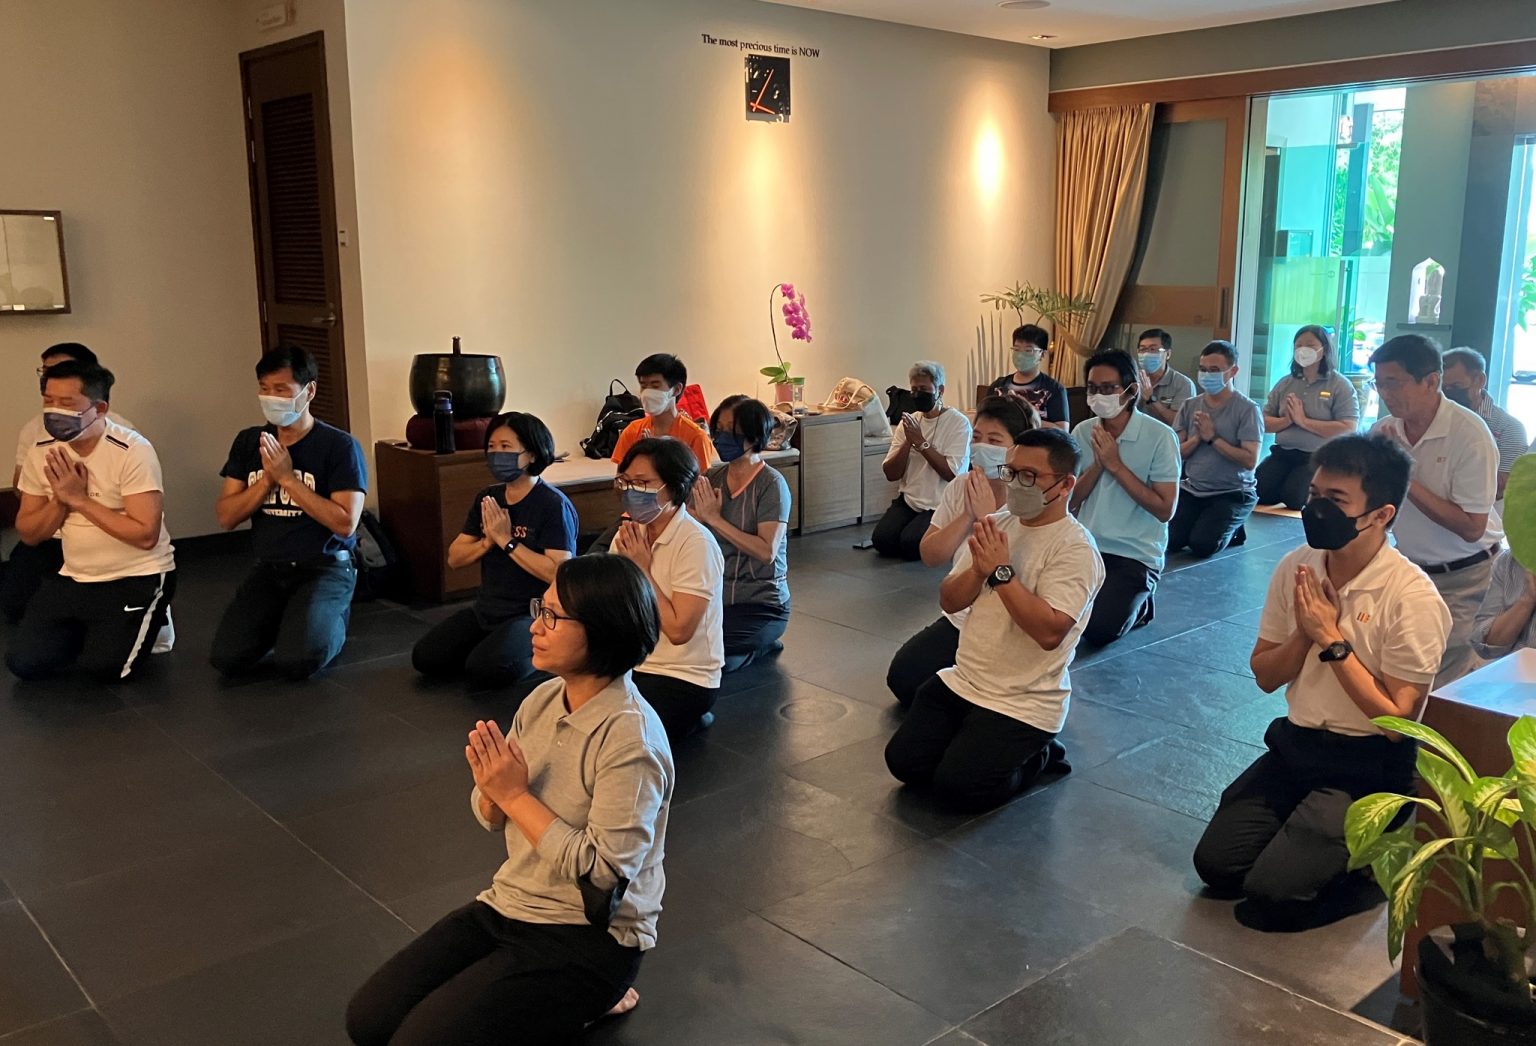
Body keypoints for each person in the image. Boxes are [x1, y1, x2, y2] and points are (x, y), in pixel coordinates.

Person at [346, 555, 673, 1046]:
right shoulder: (541, 699)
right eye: (540, 608)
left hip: (590, 938)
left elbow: (602, 875)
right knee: (368, 1021)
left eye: (553, 616)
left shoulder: (631, 741)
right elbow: (488, 811)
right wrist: (496, 793)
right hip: (509, 903)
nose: (536, 626)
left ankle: (596, 997)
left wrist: (514, 794)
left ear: (603, 631)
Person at [1193, 435, 1450, 929]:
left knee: (1273, 895)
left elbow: (1398, 724)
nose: (1316, 510)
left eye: (1335, 501)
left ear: (1380, 514)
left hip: (1368, 764)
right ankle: (1305, 836)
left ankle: (1370, 863)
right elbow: (1266, 675)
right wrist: (1307, 634)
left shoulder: (1411, 596)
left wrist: (1333, 641)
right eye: (1314, 496)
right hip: (1298, 745)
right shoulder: (1297, 568)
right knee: (1218, 867)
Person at [884, 428, 1103, 811]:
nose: (1015, 483)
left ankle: (1042, 755)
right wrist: (978, 570)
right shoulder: (998, 524)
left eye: (1029, 476)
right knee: (904, 764)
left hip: (1023, 700)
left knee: (958, 790)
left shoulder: (1075, 549)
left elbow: (1049, 632)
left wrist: (1000, 572)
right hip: (966, 679)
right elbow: (950, 600)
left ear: (1066, 484)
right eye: (1011, 472)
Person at [5, 361, 176, 682]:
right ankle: (102, 629)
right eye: (48, 400)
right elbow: (29, 533)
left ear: (99, 408)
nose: (54, 410)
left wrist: (80, 500)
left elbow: (145, 535)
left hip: (135, 576)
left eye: (66, 403)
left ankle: (152, 617)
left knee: (103, 671)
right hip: (74, 576)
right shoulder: (42, 451)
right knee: (24, 663)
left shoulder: (132, 450)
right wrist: (61, 500)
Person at [209, 344, 367, 681]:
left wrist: (288, 480)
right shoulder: (250, 442)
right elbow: (226, 516)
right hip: (270, 568)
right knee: (227, 658)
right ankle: (288, 619)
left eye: (281, 390)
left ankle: (333, 618)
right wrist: (268, 479)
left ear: (308, 391)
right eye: (265, 389)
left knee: (297, 661)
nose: (271, 398)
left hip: (324, 567)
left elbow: (345, 523)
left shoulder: (339, 446)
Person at [886, 395, 1037, 706]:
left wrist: (986, 516)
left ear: (1017, 446)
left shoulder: (1031, 495)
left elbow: (1011, 565)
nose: (982, 446)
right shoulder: (962, 484)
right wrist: (967, 513)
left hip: (1011, 620)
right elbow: (930, 555)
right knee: (903, 678)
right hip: (962, 613)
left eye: (995, 440)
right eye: (977, 437)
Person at [412, 412, 578, 692]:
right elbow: (455, 557)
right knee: (426, 658)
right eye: (492, 447)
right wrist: (487, 543)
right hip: (486, 609)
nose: (496, 454)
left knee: (485, 670)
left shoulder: (552, 505)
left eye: (506, 447)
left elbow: (558, 572)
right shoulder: (488, 498)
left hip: (531, 614)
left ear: (533, 455)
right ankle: (492, 647)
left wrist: (507, 541)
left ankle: (541, 656)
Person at [1369, 335, 1500, 686]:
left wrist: (1405, 472)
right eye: (1378, 383)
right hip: (1410, 568)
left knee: (1442, 682)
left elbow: (1473, 527)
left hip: (1465, 574)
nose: (1384, 393)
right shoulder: (1385, 429)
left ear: (1431, 381)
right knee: (1392, 666)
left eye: (1393, 383)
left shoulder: (1469, 435)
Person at [3, 343, 137, 624]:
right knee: (15, 605)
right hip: (52, 534)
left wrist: (80, 499)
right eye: (46, 371)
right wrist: (61, 498)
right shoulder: (35, 430)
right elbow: (22, 490)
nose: (50, 377)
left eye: (62, 370)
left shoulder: (124, 435)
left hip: (104, 533)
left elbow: (137, 511)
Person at [610, 438, 724, 740]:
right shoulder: (631, 534)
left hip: (683, 676)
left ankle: (694, 716)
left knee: (625, 735)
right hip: (634, 665)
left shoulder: (696, 543)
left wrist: (643, 569)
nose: (632, 491)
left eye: (643, 483)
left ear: (674, 487)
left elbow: (679, 631)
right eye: (627, 482)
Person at [1069, 349, 1181, 647]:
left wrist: (1116, 465)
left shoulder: (1159, 436)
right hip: (1087, 546)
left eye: (1108, 388)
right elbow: (1069, 501)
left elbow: (1165, 509)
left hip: (1134, 553)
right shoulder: (1083, 431)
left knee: (1099, 629)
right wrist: (1098, 464)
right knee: (1054, 616)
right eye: (1092, 388)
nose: (1098, 395)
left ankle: (1142, 604)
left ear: (1131, 390)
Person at [688, 395, 791, 673]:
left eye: (731, 429)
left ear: (754, 434)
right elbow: (691, 530)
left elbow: (766, 552)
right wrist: (696, 520)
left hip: (762, 604)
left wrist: (713, 519)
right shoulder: (712, 479)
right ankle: (741, 651)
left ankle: (761, 643)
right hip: (717, 597)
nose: (722, 437)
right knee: (684, 644)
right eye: (718, 429)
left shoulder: (771, 484)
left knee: (709, 652)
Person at [1167, 341, 1263, 559]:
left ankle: (1235, 529)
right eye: (1202, 369)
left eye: (1214, 370)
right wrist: (1198, 439)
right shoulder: (1190, 405)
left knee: (1202, 545)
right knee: (1173, 541)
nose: (1206, 375)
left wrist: (1213, 439)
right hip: (1193, 488)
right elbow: (1176, 452)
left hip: (1231, 492)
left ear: (1233, 371)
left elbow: (1250, 460)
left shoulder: (1247, 410)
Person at [872, 361, 972, 560]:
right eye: (914, 390)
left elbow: (951, 473)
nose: (918, 395)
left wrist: (921, 442)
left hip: (940, 502)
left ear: (940, 390)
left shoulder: (959, 423)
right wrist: (908, 443)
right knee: (882, 540)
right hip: (909, 500)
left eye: (924, 389)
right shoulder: (909, 422)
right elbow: (891, 473)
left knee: (911, 544)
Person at [1255, 325, 1360, 510]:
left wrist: (1303, 421)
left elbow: (1348, 427)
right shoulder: (1285, 383)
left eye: (1310, 345)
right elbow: (1262, 421)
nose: (1303, 349)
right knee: (1259, 491)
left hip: (1317, 456)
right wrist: (1286, 421)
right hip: (1283, 452)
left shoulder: (1340, 385)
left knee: (1295, 499)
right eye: (1298, 345)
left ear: (1324, 349)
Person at [1442, 347, 1527, 503]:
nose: (1448, 394)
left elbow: (1501, 485)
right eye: (1442, 388)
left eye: (1455, 386)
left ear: (1480, 380)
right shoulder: (1433, 420)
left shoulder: (1509, 428)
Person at [610, 353, 715, 471]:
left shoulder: (696, 437)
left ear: (676, 389)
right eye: (643, 386)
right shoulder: (632, 431)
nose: (647, 393)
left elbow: (702, 484)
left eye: (655, 386)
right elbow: (620, 482)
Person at [987, 324, 1069, 430]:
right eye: (1016, 350)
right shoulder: (999, 385)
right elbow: (983, 418)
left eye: (1028, 350)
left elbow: (1063, 430)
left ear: (1042, 354)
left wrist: (1025, 418)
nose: (1020, 355)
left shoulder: (1054, 389)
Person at [1135, 328, 1196, 427]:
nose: (1146, 354)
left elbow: (1180, 423)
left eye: (1153, 349)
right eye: (1142, 349)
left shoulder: (1183, 384)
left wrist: (1151, 400)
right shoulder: (1132, 379)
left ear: (1167, 354)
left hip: (1166, 439)